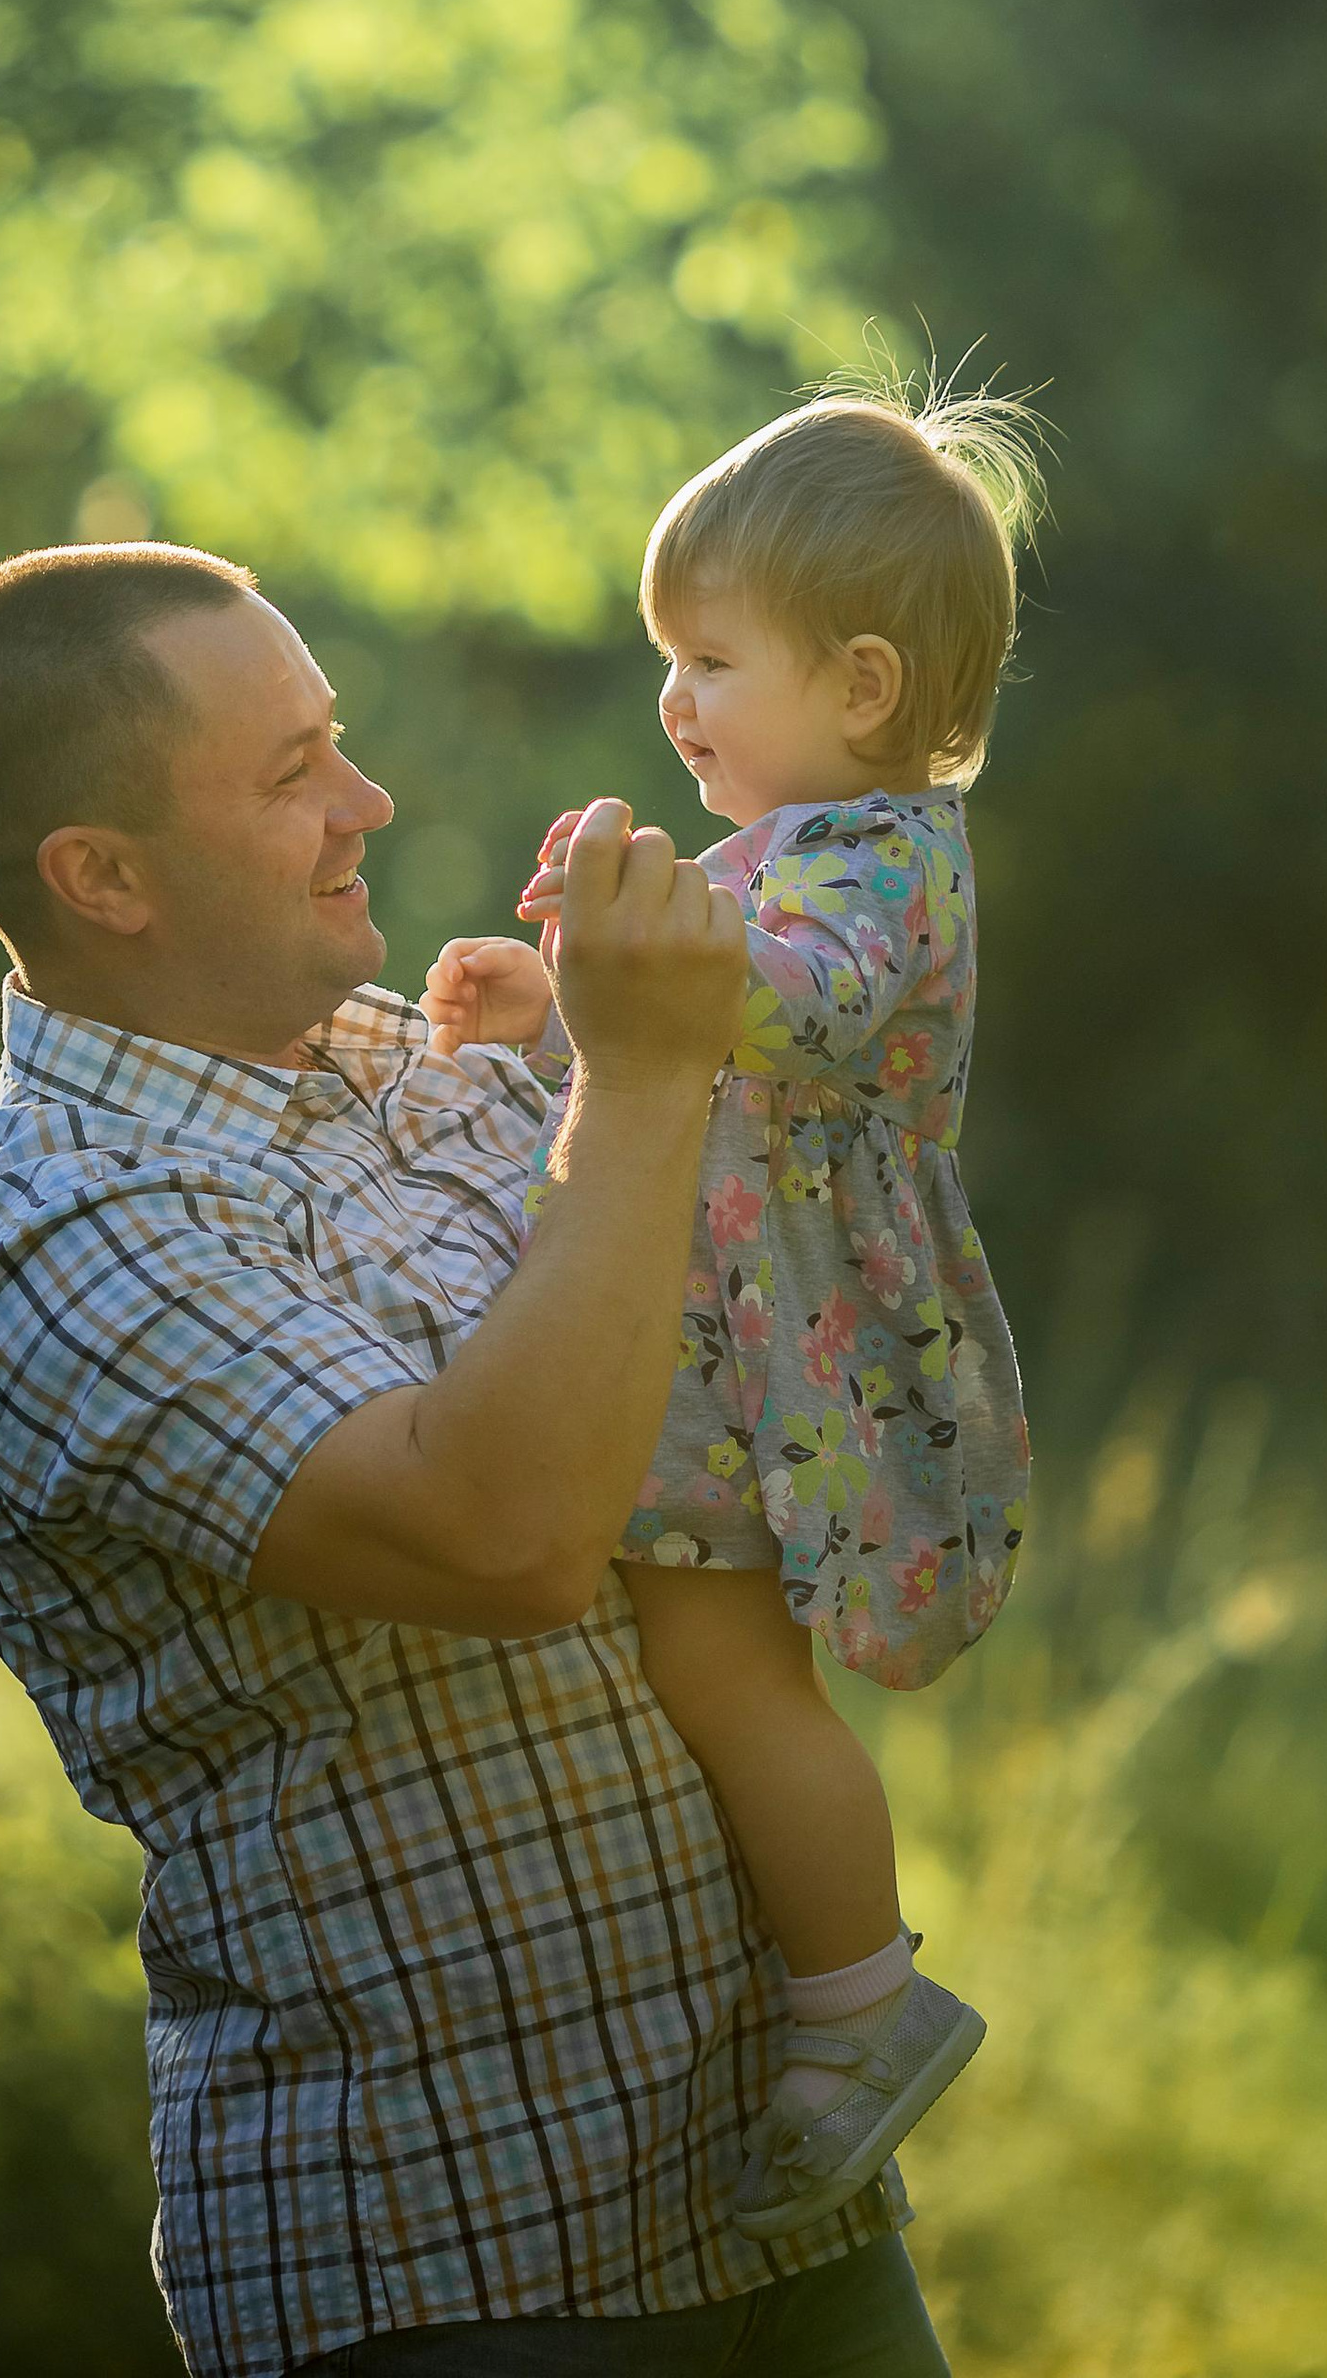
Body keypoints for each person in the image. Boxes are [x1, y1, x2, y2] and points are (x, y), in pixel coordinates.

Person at [0, 539, 952, 2378]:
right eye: (291, 773)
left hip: (773, 2214)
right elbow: (506, 1539)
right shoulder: (59, 1239)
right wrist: (638, 1080)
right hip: (448, 2262)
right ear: (101, 877)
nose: (366, 804)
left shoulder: (428, 1058)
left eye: (340, 742)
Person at [424, 392, 1040, 2238]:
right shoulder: (779, 854)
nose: (675, 701)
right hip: (727, 1325)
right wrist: (556, 1010)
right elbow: (665, 1063)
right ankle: (805, 1977)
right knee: (689, 1653)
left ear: (861, 686)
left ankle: (863, 1999)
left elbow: (785, 1015)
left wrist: (648, 950)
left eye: (709, 659)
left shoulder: (879, 869)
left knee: (716, 1660)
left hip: (795, 1347)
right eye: (664, 660)